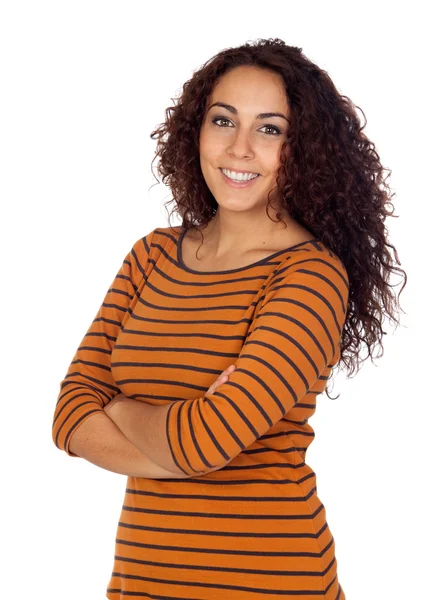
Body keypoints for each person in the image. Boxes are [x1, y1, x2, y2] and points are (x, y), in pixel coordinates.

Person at [52, 38, 407, 599]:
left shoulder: (309, 277)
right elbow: (70, 415)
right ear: (196, 130)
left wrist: (118, 407)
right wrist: (183, 441)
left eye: (270, 129)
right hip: (143, 584)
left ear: (304, 149)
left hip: (271, 583)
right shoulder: (151, 256)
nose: (240, 148)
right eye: (224, 121)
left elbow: (207, 442)